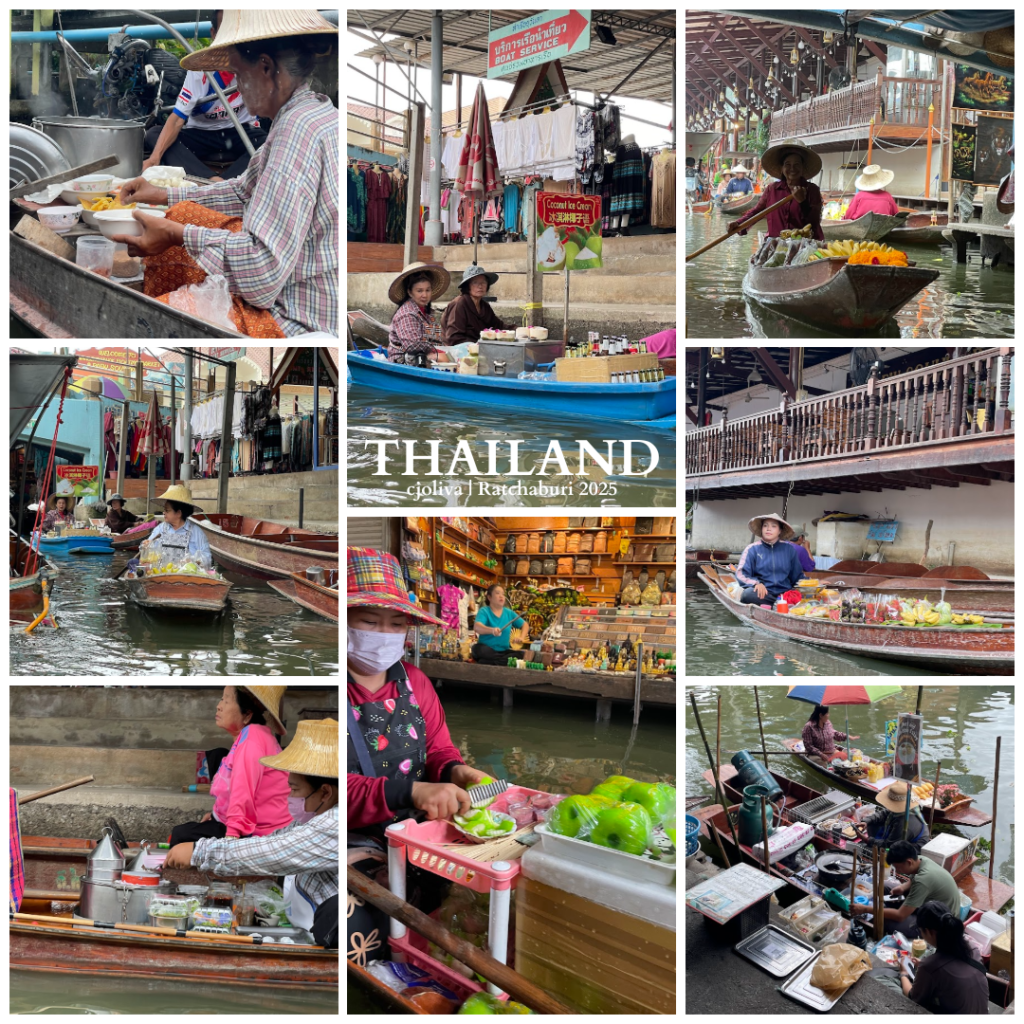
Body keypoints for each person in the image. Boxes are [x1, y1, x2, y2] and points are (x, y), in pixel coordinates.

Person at [112, 10, 338, 338]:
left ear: (265, 68)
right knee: (181, 213)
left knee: (153, 317)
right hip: (288, 280)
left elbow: (262, 276)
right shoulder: (307, 112)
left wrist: (177, 234)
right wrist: (161, 194)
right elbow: (240, 192)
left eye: (237, 73)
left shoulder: (296, 132)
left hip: (293, 317)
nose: (234, 84)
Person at [347, 547, 492, 964]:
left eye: (396, 624)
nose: (384, 633)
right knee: (365, 933)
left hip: (418, 835)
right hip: (357, 839)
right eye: (370, 621)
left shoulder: (415, 682)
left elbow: (439, 748)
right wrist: (413, 792)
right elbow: (337, 788)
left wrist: (456, 770)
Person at [165, 717, 339, 949]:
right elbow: (275, 840)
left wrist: (198, 851)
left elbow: (272, 851)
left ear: (325, 792)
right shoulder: (309, 819)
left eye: (295, 789)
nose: (290, 797)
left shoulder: (333, 823)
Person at [143, 10, 268, 180]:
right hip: (201, 134)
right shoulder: (199, 68)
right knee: (154, 134)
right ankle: (209, 180)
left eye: (236, 29)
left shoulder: (256, 64)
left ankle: (227, 182)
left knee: (271, 143)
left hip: (241, 133)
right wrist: (154, 158)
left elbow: (267, 107)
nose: (231, 36)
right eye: (225, 30)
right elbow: (178, 118)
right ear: (213, 33)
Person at [170, 686, 291, 844]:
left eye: (226, 701)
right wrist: (216, 815)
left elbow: (243, 791)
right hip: (248, 824)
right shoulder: (253, 734)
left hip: (258, 832)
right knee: (218, 754)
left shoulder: (252, 740)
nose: (219, 706)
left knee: (180, 835)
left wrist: (231, 835)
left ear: (247, 714)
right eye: (222, 699)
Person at [852, 839, 962, 938]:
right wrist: (902, 887)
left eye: (898, 867)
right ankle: (891, 908)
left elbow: (900, 916)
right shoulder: (921, 860)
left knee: (881, 920)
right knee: (884, 887)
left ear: (909, 862)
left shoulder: (923, 880)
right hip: (928, 905)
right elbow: (913, 879)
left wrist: (865, 909)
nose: (898, 871)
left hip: (937, 924)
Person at [900, 900, 990, 1013]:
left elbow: (914, 998)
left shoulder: (930, 965)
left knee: (890, 983)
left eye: (921, 931)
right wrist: (924, 965)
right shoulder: (971, 946)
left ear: (930, 932)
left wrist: (903, 974)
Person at [733, 138, 824, 241]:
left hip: (803, 247)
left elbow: (814, 223)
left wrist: (803, 202)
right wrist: (738, 224)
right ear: (782, 168)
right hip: (775, 245)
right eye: (787, 164)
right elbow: (757, 212)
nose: (792, 168)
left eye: (797, 164)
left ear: (803, 167)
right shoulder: (772, 189)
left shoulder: (812, 190)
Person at [387, 262, 452, 365]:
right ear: (410, 292)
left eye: (428, 290)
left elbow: (436, 339)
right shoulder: (407, 313)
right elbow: (412, 346)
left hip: (424, 355)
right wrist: (437, 351)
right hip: (404, 361)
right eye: (419, 291)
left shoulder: (427, 312)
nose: (424, 295)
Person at [735, 512, 804, 606]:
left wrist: (815, 583)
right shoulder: (752, 549)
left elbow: (797, 576)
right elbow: (740, 574)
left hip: (785, 595)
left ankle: (779, 605)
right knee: (748, 594)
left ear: (780, 530)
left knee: (806, 597)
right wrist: (756, 583)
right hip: (763, 594)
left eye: (773, 526)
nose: (768, 529)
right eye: (765, 525)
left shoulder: (789, 549)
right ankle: (771, 606)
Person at [140, 485, 213, 567]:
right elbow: (148, 549)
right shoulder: (160, 529)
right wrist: (145, 546)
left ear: (178, 513)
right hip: (161, 574)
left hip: (186, 576)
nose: (164, 513)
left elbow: (207, 559)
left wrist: (193, 561)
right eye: (164, 510)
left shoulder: (196, 532)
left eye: (167, 510)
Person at [440, 265, 512, 347]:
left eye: (483, 282)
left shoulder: (484, 306)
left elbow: (498, 326)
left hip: (479, 348)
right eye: (475, 282)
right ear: (468, 286)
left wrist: (517, 330)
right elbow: (454, 338)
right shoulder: (460, 304)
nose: (480, 286)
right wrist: (476, 346)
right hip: (459, 350)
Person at [858, 780, 931, 848]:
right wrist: (866, 821)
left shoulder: (903, 823)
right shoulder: (901, 811)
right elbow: (884, 813)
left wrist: (867, 840)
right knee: (872, 823)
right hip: (899, 835)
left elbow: (890, 844)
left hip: (912, 848)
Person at [471, 584, 528, 665]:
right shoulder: (484, 611)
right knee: (477, 649)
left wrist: (522, 637)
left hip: (503, 652)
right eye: (498, 593)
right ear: (489, 597)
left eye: (503, 594)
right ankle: (501, 662)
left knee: (521, 655)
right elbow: (477, 627)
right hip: (487, 649)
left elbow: (525, 625)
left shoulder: (509, 613)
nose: (501, 596)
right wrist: (492, 630)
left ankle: (489, 662)